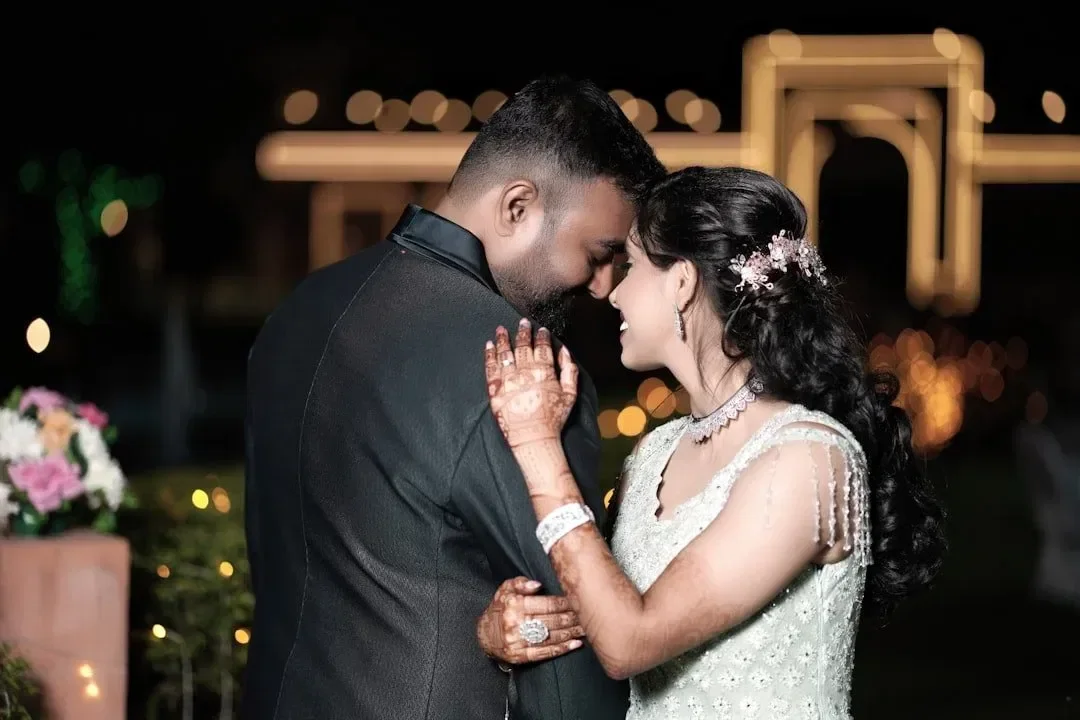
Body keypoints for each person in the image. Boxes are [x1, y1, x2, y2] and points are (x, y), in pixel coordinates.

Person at [241, 75, 665, 720]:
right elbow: (566, 641)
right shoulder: (526, 373)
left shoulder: (297, 311)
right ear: (518, 206)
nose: (604, 286)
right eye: (599, 252)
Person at [477, 166, 947, 718]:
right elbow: (609, 617)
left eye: (630, 266)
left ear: (681, 282)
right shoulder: (655, 454)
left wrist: (536, 447)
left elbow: (631, 640)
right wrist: (510, 630)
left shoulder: (809, 458)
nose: (612, 293)